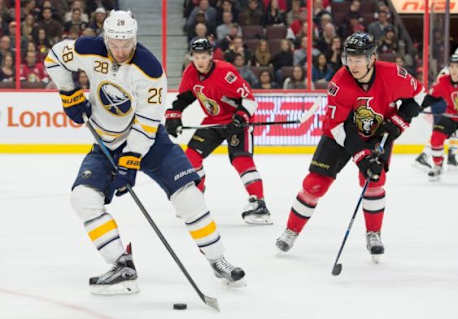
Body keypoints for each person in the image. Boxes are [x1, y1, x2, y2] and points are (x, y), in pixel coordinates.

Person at [44, 10, 245, 295]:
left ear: (135, 38)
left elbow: (148, 121)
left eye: (127, 43)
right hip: (105, 141)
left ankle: (218, 260)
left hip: (150, 143)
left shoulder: (150, 69)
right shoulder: (87, 49)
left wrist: (130, 160)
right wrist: (69, 92)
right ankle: (121, 265)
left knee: (189, 195)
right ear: (106, 37)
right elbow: (54, 57)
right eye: (115, 42)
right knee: (83, 198)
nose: (121, 49)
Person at [275, 32, 426, 260]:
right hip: (341, 134)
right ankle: (291, 230)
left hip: (378, 132)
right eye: (349, 58)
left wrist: (399, 121)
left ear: (372, 58)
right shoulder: (339, 82)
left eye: (358, 59)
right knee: (314, 184)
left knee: (374, 181)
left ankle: (373, 233)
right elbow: (338, 127)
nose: (352, 64)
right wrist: (361, 156)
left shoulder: (393, 74)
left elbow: (420, 95)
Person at [165, 38, 272, 225]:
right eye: (196, 57)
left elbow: (249, 101)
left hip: (237, 121)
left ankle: (259, 204)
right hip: (213, 121)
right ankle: (195, 198)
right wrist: (173, 116)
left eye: (203, 57)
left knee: (240, 159)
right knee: (191, 156)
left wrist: (240, 118)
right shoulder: (191, 71)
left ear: (211, 57)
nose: (199, 61)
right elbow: (184, 98)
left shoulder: (226, 72)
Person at [414, 46, 458, 170]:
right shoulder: (451, 71)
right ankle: (425, 155)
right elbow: (440, 89)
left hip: (449, 103)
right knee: (441, 132)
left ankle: (451, 155)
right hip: (442, 104)